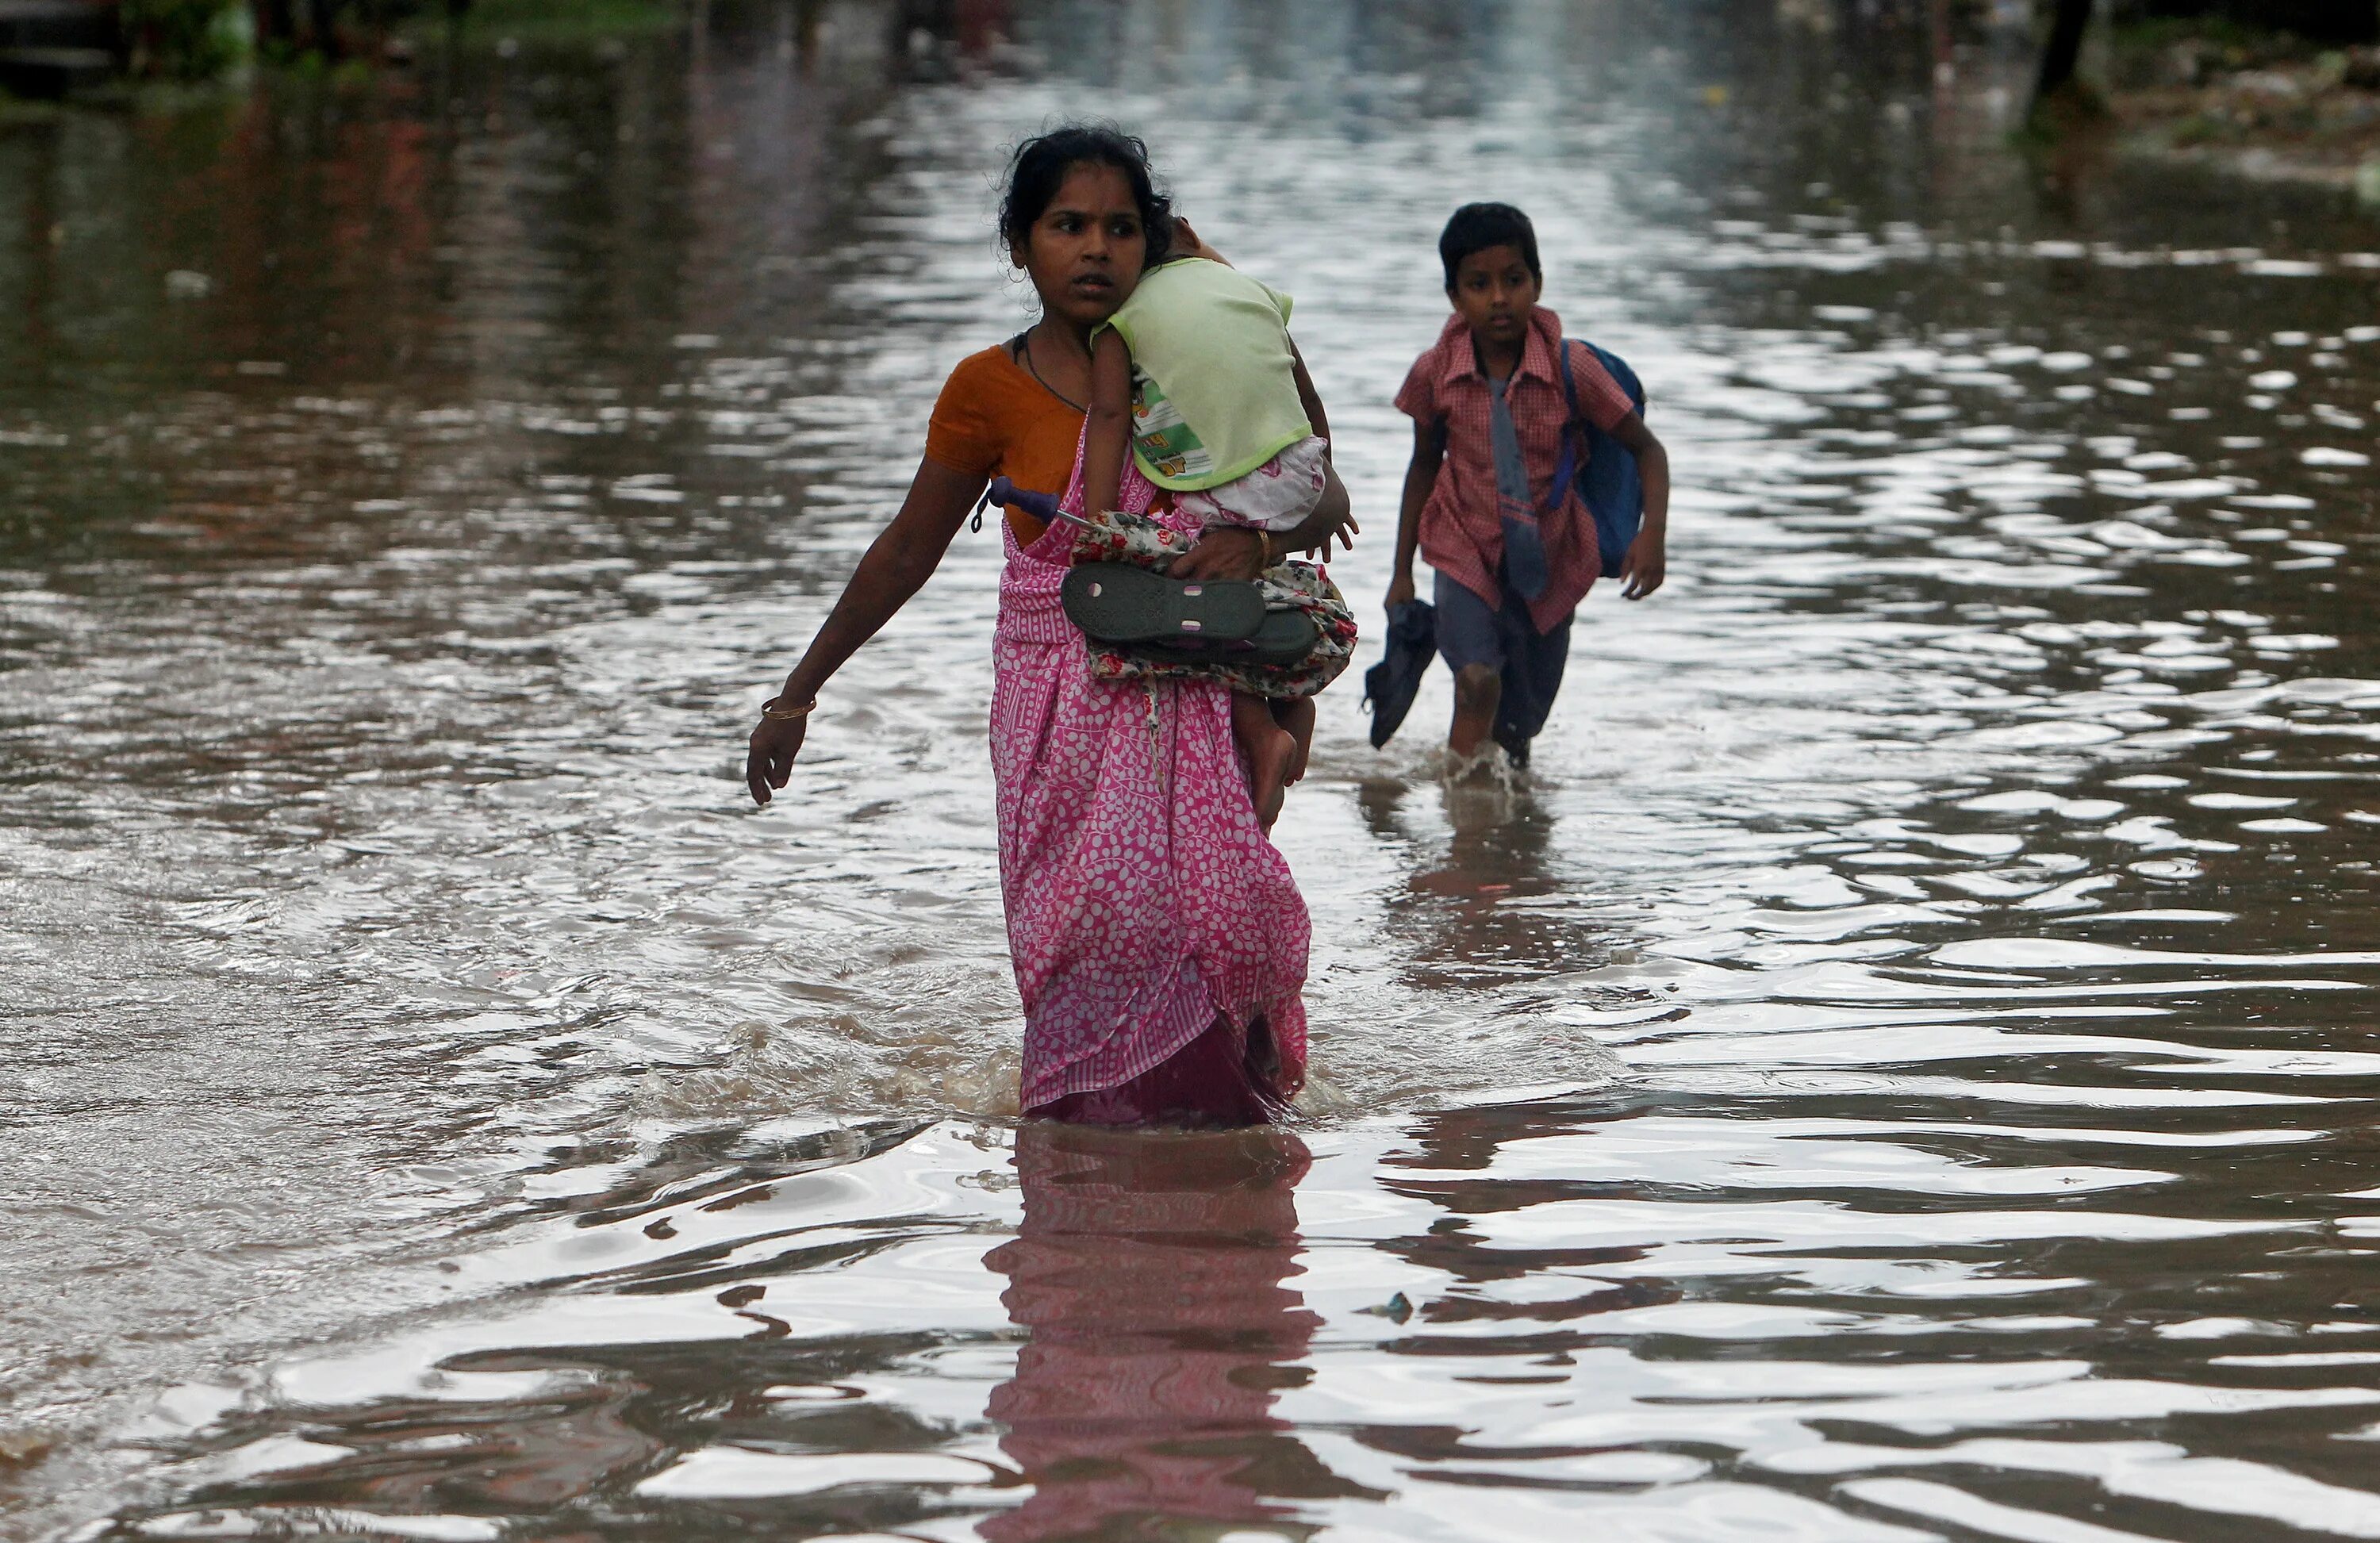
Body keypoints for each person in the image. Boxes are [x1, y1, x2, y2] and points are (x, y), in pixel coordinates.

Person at [744, 124, 1354, 1127]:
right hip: (1055, 720)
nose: (1096, 249)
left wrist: (1250, 535)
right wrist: (798, 693)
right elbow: (907, 549)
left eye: (1121, 228)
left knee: (1214, 918)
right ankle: (1090, 1178)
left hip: (1190, 698)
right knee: (1091, 924)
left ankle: (1220, 1187)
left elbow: (1313, 482)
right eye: (1068, 226)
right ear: (1020, 244)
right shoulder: (988, 390)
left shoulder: (1190, 354)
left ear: (1154, 244)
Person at [1384, 202, 1672, 767]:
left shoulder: (1574, 369)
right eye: (1479, 284)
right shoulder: (1434, 372)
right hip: (1461, 546)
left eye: (1514, 281)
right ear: (1454, 296)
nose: (1498, 298)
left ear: (1537, 284)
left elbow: (1648, 450)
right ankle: (1465, 825)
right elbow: (1423, 466)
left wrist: (1653, 534)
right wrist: (1401, 571)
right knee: (1476, 682)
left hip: (1550, 559)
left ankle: (1509, 844)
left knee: (1518, 729)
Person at [1079, 251, 1337, 829]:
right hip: (1302, 464)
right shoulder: (1246, 290)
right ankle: (1291, 698)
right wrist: (1321, 477)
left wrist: (1104, 528)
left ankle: (1264, 729)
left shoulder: (1119, 326)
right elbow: (1310, 402)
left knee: (1205, 598)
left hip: (1244, 479)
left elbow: (1111, 413)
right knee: (1249, 575)